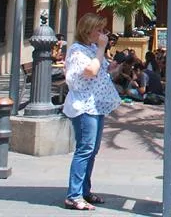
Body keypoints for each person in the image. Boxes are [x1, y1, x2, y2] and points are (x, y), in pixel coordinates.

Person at [63, 12, 122, 211]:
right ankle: (74, 195)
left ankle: (84, 191)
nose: (102, 33)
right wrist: (102, 49)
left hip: (96, 105)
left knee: (92, 150)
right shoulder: (77, 50)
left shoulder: (92, 49)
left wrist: (113, 65)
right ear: (88, 30)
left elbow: (102, 69)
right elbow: (90, 71)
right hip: (83, 106)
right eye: (99, 29)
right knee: (85, 149)